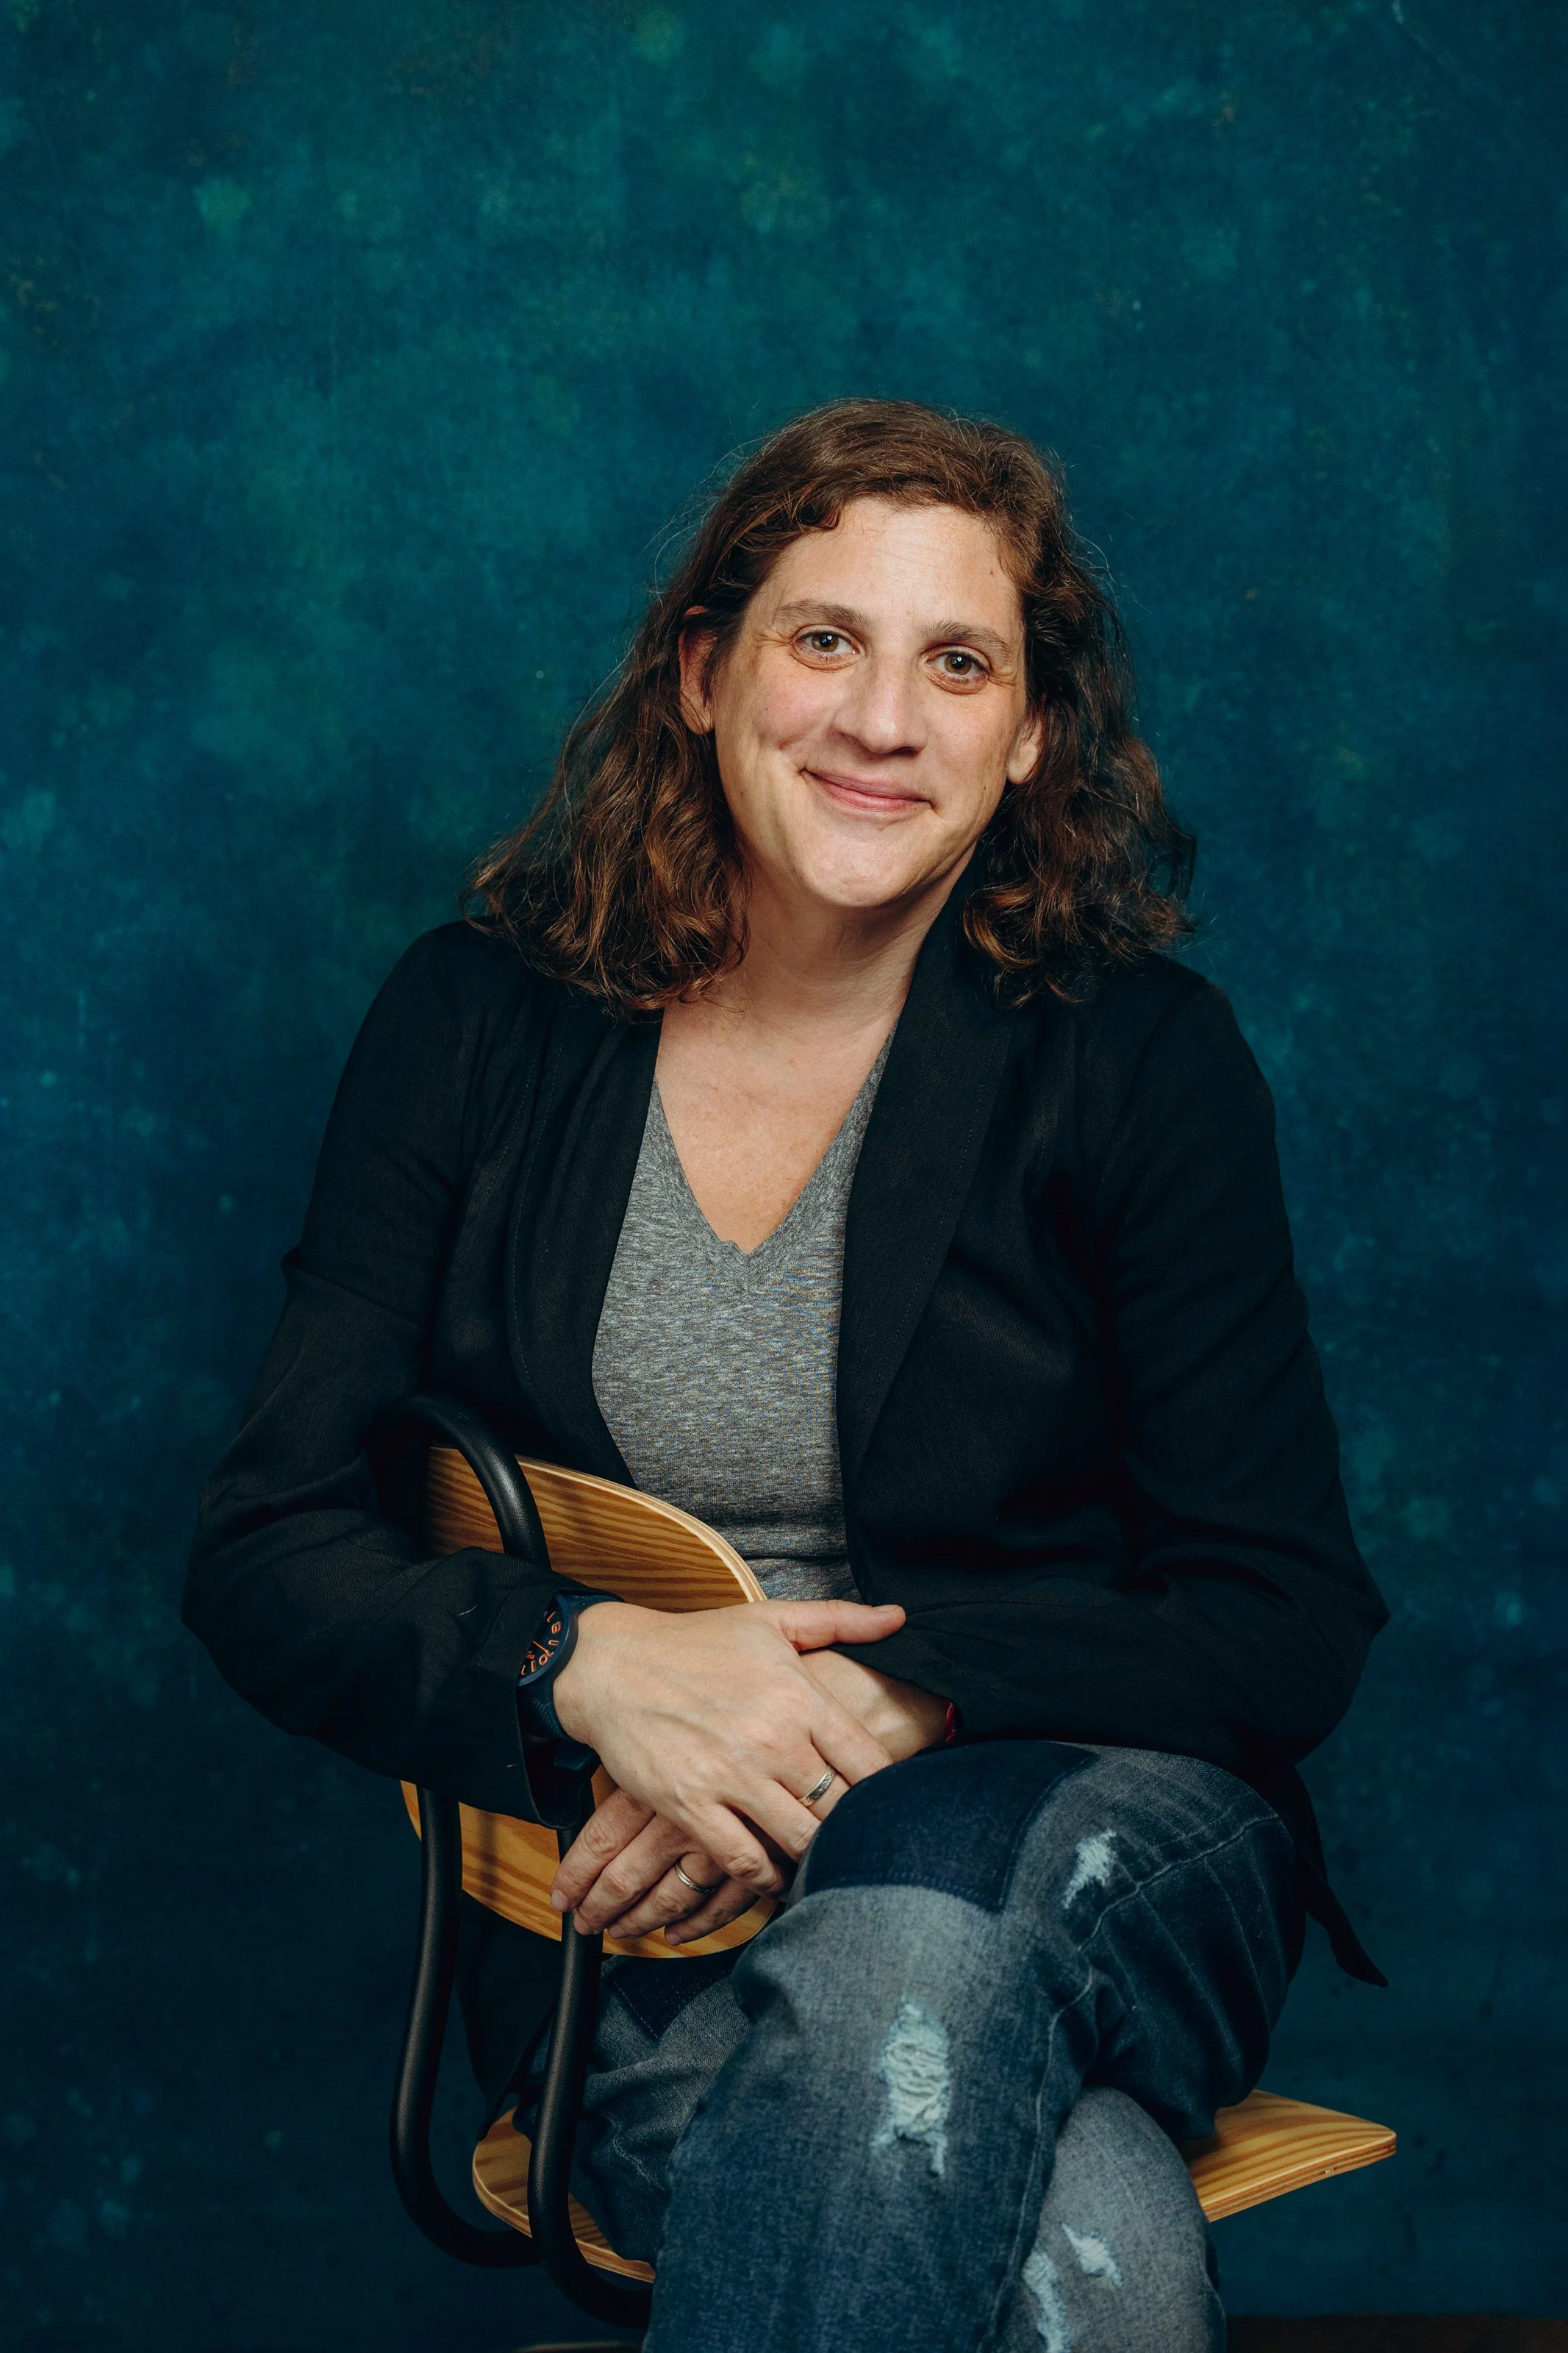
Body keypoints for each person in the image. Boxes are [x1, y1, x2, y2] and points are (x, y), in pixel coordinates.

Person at [185, 399, 1387, 2352]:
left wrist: (874, 1705)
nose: (881, 721)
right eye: (822, 639)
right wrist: (581, 1661)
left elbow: (1278, 1619)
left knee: (914, 1917)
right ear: (697, 672)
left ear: (1032, 737)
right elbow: (262, 1552)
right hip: (639, 1940)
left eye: (957, 662)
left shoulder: (1137, 1064)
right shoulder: (473, 1030)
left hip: (1095, 1844)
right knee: (1092, 2263)